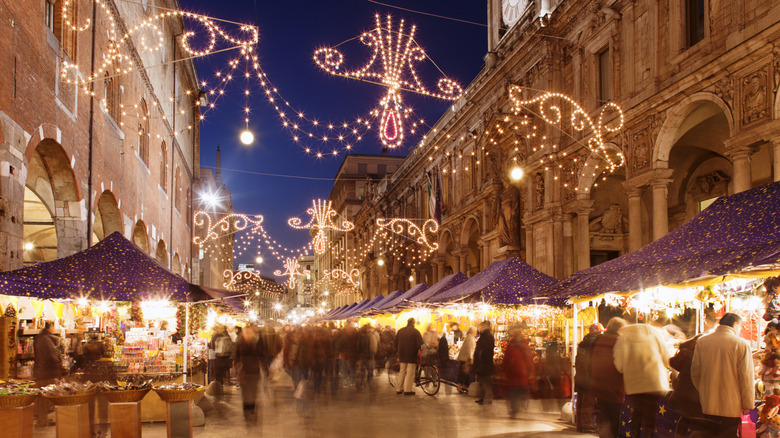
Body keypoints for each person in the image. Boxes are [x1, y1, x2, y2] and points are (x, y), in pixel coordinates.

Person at [691, 313, 754, 438]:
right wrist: (747, 403)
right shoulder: (740, 344)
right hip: (731, 406)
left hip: (708, 404)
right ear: (735, 324)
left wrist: (705, 391)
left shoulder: (702, 341)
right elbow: (746, 377)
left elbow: (695, 372)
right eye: (740, 326)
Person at [613, 321, 671, 438]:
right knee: (650, 413)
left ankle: (635, 435)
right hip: (654, 380)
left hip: (634, 382)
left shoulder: (624, 337)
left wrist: (626, 369)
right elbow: (666, 355)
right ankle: (649, 435)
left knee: (636, 412)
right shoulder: (655, 333)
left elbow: (619, 363)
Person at [591, 317, 627, 438]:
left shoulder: (600, 339)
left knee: (604, 418)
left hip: (599, 384)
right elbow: (621, 365)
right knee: (613, 418)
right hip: (613, 385)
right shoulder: (619, 341)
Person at [667, 334, 705, 438]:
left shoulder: (686, 353)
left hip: (682, 394)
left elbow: (672, 362)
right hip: (695, 396)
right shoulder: (699, 356)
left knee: (685, 419)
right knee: (698, 423)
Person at [233, 324, 265, 424]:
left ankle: (252, 409)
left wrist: (265, 367)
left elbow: (262, 355)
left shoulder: (257, 342)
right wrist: (237, 365)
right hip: (244, 371)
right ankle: (246, 410)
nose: (247, 335)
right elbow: (236, 355)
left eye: (249, 333)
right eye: (246, 333)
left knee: (254, 391)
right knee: (245, 393)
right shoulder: (240, 343)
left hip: (254, 371)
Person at [575, 322, 604, 432]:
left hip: (581, 374)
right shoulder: (596, 342)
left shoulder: (583, 342)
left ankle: (580, 425)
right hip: (589, 375)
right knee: (589, 401)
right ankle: (587, 425)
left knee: (581, 400)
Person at [33, 321, 63, 427]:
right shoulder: (45, 340)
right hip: (46, 373)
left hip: (43, 372)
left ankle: (44, 419)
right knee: (43, 398)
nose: (54, 329)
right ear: (50, 327)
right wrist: (59, 366)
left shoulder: (42, 338)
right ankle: (42, 420)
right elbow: (51, 357)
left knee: (44, 398)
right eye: (53, 326)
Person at [503, 326, 534, 418]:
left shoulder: (510, 345)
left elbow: (506, 359)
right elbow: (529, 359)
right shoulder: (524, 345)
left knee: (513, 391)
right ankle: (521, 405)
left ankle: (514, 409)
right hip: (522, 372)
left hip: (512, 372)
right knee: (521, 389)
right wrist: (530, 371)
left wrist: (504, 370)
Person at [394, 317, 423, 395]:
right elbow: (420, 344)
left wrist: (397, 352)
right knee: (410, 372)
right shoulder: (415, 332)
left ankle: (399, 389)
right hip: (411, 355)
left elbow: (395, 342)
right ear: (413, 323)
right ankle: (407, 390)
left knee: (402, 371)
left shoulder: (400, 331)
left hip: (401, 354)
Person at [473, 321, 495, 405]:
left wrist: (479, 361)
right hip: (484, 363)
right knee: (483, 381)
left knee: (486, 381)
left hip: (484, 363)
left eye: (481, 326)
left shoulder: (487, 337)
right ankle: (483, 397)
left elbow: (483, 351)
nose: (479, 328)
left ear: (485, 326)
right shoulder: (485, 336)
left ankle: (487, 398)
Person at [456, 326, 477, 393]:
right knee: (463, 373)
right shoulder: (470, 338)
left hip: (464, 358)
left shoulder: (469, 337)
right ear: (473, 331)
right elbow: (470, 349)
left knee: (465, 373)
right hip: (465, 359)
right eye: (475, 331)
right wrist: (471, 358)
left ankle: (464, 386)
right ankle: (460, 386)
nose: (476, 332)